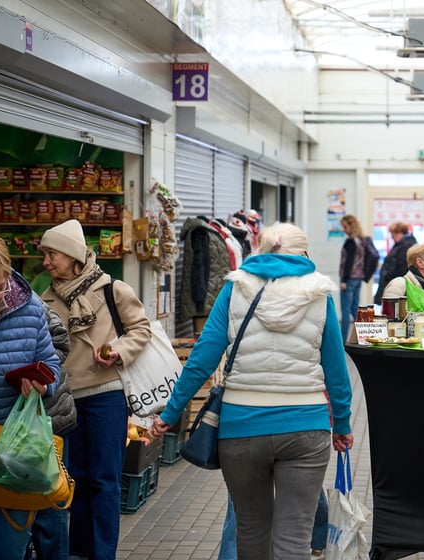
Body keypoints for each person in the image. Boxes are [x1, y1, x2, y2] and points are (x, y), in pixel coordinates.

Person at [150, 222, 354, 560]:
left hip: (241, 427)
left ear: (261, 248)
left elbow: (202, 357)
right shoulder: (320, 293)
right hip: (305, 426)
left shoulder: (236, 287)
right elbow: (336, 369)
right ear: (303, 253)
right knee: (294, 540)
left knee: (251, 531)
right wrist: (343, 424)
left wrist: (171, 413)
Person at [39, 219, 151, 560]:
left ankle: (102, 554)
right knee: (75, 479)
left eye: (52, 254)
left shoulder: (113, 290)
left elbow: (141, 329)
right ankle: (78, 552)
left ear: (72, 255)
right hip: (65, 401)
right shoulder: (44, 299)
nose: (46, 262)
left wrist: (118, 350)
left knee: (105, 480)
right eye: (45, 254)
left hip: (106, 395)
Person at [0, 235, 61, 559]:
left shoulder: (30, 307)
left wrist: (43, 384)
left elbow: (51, 363)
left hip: (13, 448)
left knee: (8, 547)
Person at [25, 304, 76, 560]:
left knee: (48, 502)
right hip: (10, 419)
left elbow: (60, 340)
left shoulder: (26, 300)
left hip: (46, 416)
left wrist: (37, 372)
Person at [373, 222, 417, 305]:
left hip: (395, 284)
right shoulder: (402, 244)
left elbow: (401, 268)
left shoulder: (405, 246)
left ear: (399, 233)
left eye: (393, 234)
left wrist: (387, 276)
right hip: (394, 282)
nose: (392, 237)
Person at [338, 214, 367, 339]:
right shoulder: (361, 241)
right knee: (355, 308)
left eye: (345, 227)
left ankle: (343, 339)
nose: (343, 230)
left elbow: (348, 262)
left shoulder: (350, 242)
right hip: (358, 278)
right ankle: (362, 336)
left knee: (345, 309)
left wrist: (344, 280)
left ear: (351, 226)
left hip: (349, 278)